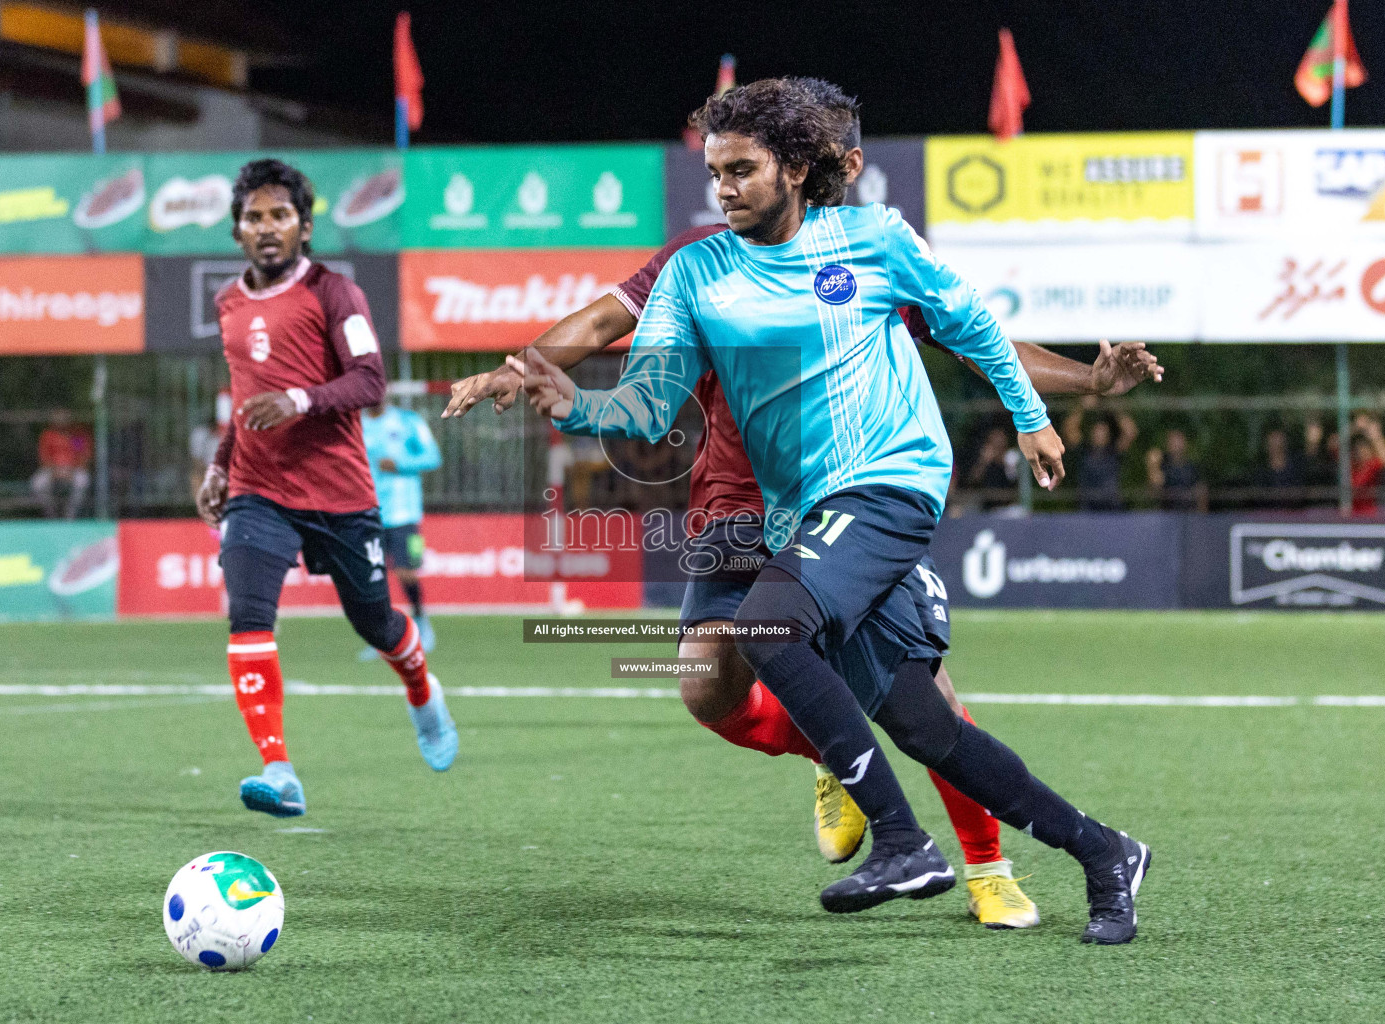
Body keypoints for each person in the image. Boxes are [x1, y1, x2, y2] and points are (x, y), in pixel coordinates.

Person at [446, 81, 1161, 933]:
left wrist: (1047, 407)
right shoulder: (695, 269)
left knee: (774, 629)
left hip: (885, 485)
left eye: (742, 169)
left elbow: (973, 328)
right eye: (715, 173)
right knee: (921, 725)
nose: (724, 188)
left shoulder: (871, 245)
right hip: (778, 512)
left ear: (797, 168)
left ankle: (933, 851)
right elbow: (648, 392)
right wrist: (570, 401)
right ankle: (1103, 851)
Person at [194, 158, 458, 817]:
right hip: (258, 491)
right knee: (247, 614)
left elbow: (369, 381)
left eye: (279, 214)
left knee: (374, 622)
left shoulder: (334, 293)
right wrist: (221, 464)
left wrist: (301, 399)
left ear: (305, 227)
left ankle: (422, 688)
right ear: (236, 232)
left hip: (341, 496)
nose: (266, 227)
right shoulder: (227, 303)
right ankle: (279, 771)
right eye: (253, 217)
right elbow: (245, 399)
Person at [359, 398, 442, 656]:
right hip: (368, 511)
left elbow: (433, 457)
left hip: (404, 512)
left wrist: (400, 463)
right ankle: (381, 635)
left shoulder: (408, 421)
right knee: (373, 575)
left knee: (405, 570)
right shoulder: (356, 424)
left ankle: (421, 622)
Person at [1064, 398, 1137, 511]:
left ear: (1108, 434)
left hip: (1112, 506)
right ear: (1091, 433)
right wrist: (1082, 407)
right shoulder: (1083, 449)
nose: (1099, 434)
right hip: (1086, 505)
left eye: (1102, 431)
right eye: (1096, 431)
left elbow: (1131, 433)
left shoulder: (1113, 451)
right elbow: (1069, 430)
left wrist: (1114, 407)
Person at [31, 409, 92, 519]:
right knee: (38, 484)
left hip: (73, 469)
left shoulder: (75, 435)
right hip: (52, 470)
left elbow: (82, 456)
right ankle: (52, 516)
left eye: (64, 419)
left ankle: (70, 516)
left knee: (82, 482)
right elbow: (44, 457)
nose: (62, 422)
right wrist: (55, 471)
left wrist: (71, 471)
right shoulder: (48, 435)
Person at [1145, 428, 1206, 512]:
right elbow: (1155, 488)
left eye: (1179, 440)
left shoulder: (1191, 467)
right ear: (1167, 443)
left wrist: (1201, 516)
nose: (1176, 444)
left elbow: (1201, 491)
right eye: (1173, 440)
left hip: (1188, 514)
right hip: (1168, 514)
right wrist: (1153, 466)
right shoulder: (1163, 465)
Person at [964, 426, 1019, 511]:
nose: (998, 445)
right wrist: (983, 462)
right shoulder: (985, 461)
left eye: (1000, 443)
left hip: (1008, 507)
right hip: (985, 506)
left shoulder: (1011, 458)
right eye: (994, 443)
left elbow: (1015, 484)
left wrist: (1004, 462)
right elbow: (973, 481)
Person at [1350, 413, 1385, 516]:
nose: (1360, 452)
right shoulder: (1350, 464)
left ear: (1370, 450)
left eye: (1364, 448)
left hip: (1369, 514)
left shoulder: (1372, 465)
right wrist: (1354, 427)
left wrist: (1375, 435)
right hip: (1349, 514)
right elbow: (1334, 444)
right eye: (1358, 448)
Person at [1255, 427, 1304, 509]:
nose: (1276, 444)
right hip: (1266, 515)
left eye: (1279, 440)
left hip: (1292, 515)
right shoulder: (1261, 472)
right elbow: (1256, 497)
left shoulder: (1297, 470)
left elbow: (1300, 494)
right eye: (1272, 440)